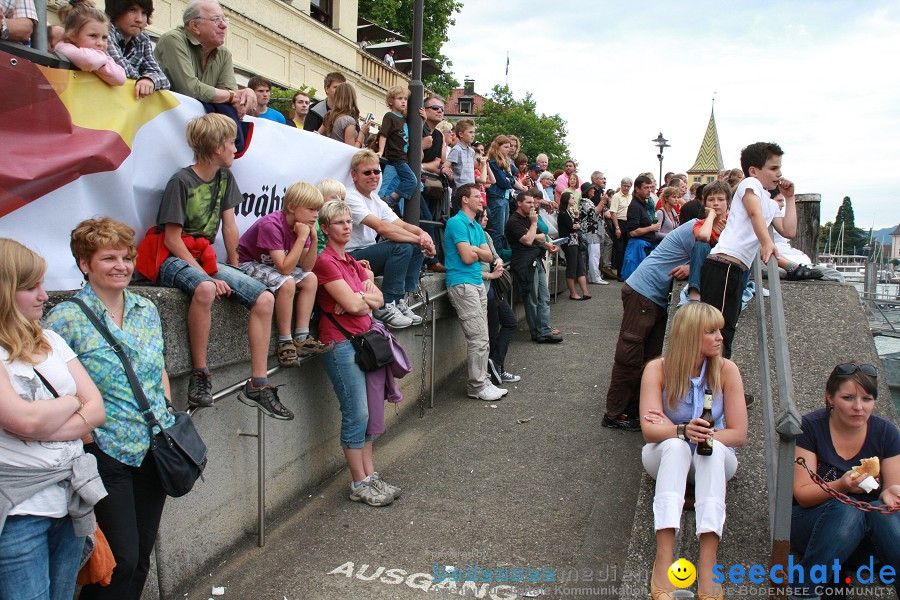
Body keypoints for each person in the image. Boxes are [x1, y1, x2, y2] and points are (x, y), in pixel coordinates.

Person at [44, 218, 170, 600]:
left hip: (153, 449)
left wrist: (166, 410)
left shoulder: (145, 308)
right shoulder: (64, 319)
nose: (121, 266)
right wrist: (86, 437)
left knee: (142, 556)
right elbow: (53, 389)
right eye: (109, 258)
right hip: (105, 452)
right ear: (85, 264)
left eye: (126, 257)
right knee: (117, 561)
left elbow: (159, 367)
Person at [149, 113, 287, 418]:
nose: (234, 148)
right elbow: (172, 240)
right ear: (215, 148)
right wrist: (206, 276)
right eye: (229, 142)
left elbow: (229, 226)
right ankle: (200, 375)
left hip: (206, 257)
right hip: (174, 256)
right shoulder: (181, 181)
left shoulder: (225, 177)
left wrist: (234, 268)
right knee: (205, 290)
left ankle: (259, 383)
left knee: (264, 297)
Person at [0, 238, 106, 600]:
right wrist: (72, 400)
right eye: (31, 287)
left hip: (69, 501)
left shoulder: (51, 340)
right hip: (17, 512)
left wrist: (48, 417)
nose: (44, 295)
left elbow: (97, 409)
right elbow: (25, 421)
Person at [640, 302, 747, 600]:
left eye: (720, 331)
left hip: (711, 458)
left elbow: (738, 434)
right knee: (676, 446)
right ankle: (664, 558)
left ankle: (708, 562)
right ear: (690, 336)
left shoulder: (727, 370)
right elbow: (650, 431)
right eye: (711, 332)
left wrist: (696, 432)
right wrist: (681, 431)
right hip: (665, 455)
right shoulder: (657, 369)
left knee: (708, 450)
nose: (720, 338)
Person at [313, 200, 400, 507]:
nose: (348, 226)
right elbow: (352, 306)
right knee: (357, 413)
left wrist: (361, 297)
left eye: (349, 221)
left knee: (369, 414)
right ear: (325, 228)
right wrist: (362, 299)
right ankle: (359, 482)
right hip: (340, 343)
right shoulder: (325, 262)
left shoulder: (351, 261)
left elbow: (376, 298)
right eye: (340, 222)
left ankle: (370, 474)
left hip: (361, 340)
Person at [790, 362, 899, 600]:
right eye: (848, 398)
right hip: (812, 526)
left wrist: (890, 493)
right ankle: (803, 592)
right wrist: (841, 486)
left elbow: (892, 488)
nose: (858, 407)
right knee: (847, 509)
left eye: (867, 399)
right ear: (830, 398)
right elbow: (802, 495)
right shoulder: (809, 428)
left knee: (885, 513)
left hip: (867, 538)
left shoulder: (886, 432)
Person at [700, 142, 797, 358]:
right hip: (724, 265)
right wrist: (766, 242)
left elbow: (788, 230)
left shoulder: (770, 203)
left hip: (734, 269)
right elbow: (754, 213)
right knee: (717, 332)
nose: (779, 174)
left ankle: (717, 385)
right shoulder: (749, 184)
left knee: (725, 331)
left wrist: (789, 198)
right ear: (753, 170)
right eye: (773, 168)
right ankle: (713, 386)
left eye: (780, 168)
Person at [602, 219, 700, 431]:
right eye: (713, 200)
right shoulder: (698, 228)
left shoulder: (707, 230)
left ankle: (636, 409)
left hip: (653, 298)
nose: (720, 207)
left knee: (650, 359)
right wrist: (692, 265)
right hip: (643, 293)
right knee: (629, 356)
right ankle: (614, 414)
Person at [237, 182, 332, 367]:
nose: (316, 215)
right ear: (291, 207)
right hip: (248, 263)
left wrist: (312, 239)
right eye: (311, 209)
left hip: (272, 266)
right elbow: (284, 269)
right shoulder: (272, 225)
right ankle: (285, 341)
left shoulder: (302, 227)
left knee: (311, 279)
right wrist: (302, 237)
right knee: (287, 282)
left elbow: (307, 267)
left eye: (317, 210)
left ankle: (302, 337)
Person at [344, 150, 435, 329]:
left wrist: (423, 236)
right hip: (350, 257)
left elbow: (401, 224)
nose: (373, 176)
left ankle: (400, 300)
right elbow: (382, 227)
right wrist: (417, 239)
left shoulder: (376, 199)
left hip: (367, 256)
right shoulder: (350, 196)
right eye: (367, 172)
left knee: (414, 246)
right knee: (403, 246)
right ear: (354, 175)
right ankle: (386, 304)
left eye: (376, 171)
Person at [443, 184, 509, 401]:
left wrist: (477, 251)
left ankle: (482, 382)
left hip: (477, 284)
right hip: (462, 284)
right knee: (479, 337)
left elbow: (489, 256)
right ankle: (477, 386)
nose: (482, 200)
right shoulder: (456, 223)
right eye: (477, 196)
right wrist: (477, 252)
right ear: (464, 199)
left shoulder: (476, 227)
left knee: (483, 336)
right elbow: (467, 257)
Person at [154, 0, 257, 116]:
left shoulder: (224, 54)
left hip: (202, 128)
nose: (224, 25)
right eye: (216, 19)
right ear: (194, 26)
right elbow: (189, 89)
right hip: (165, 121)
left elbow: (230, 99)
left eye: (224, 20)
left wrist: (242, 96)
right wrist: (232, 96)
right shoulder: (173, 40)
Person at [506, 191, 562, 343]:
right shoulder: (514, 221)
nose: (533, 205)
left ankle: (545, 329)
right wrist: (534, 224)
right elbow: (528, 240)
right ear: (519, 203)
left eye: (533, 202)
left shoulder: (528, 219)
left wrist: (547, 244)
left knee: (544, 297)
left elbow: (540, 236)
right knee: (532, 299)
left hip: (536, 260)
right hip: (525, 263)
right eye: (529, 203)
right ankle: (537, 333)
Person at [475, 210, 520, 387]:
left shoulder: (485, 234)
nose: (487, 218)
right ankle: (495, 369)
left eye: (487, 215)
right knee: (493, 332)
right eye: (483, 215)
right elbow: (470, 268)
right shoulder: (470, 235)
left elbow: (495, 255)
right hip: (485, 288)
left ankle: (496, 363)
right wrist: (490, 275)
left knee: (509, 322)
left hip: (494, 289)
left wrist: (499, 261)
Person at [104, 0, 170, 99]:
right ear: (116, 11)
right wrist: (142, 80)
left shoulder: (143, 39)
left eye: (144, 13)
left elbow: (163, 79)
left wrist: (149, 80)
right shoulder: (104, 31)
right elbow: (119, 69)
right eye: (132, 10)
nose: (139, 19)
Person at [53, 0, 126, 87]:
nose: (100, 43)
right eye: (93, 36)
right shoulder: (63, 47)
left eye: (104, 37)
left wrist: (101, 62)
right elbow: (89, 60)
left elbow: (121, 78)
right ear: (72, 35)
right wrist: (104, 63)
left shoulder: (101, 56)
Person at [377, 86, 416, 210]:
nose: (404, 101)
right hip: (396, 156)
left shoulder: (404, 119)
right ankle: (391, 199)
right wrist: (381, 151)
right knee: (411, 180)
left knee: (404, 180)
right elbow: (384, 134)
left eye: (405, 99)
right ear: (391, 102)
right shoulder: (390, 116)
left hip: (402, 157)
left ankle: (390, 200)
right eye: (400, 98)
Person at [486, 135, 524, 251]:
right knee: (497, 231)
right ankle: (496, 259)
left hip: (504, 197)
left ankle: (501, 256)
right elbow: (504, 182)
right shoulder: (493, 162)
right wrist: (509, 180)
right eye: (506, 147)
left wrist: (509, 180)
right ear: (498, 147)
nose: (509, 149)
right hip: (496, 197)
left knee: (503, 231)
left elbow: (510, 180)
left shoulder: (503, 162)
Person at [558, 191, 590, 301]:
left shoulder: (568, 212)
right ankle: (573, 293)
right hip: (569, 243)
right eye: (572, 197)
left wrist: (576, 219)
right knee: (572, 267)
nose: (574, 199)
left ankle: (585, 292)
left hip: (575, 242)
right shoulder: (562, 213)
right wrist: (576, 218)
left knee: (580, 265)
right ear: (566, 199)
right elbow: (573, 227)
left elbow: (576, 226)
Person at [319, 82, 369, 147]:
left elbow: (317, 135)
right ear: (352, 99)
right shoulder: (348, 121)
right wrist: (362, 133)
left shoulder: (329, 116)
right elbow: (351, 150)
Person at [609, 177, 633, 279]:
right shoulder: (616, 196)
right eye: (625, 186)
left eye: (628, 186)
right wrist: (617, 227)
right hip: (620, 222)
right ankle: (620, 273)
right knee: (620, 249)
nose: (626, 188)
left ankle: (627, 272)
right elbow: (613, 212)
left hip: (629, 223)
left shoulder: (631, 196)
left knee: (629, 249)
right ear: (621, 185)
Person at [446, 119, 477, 189]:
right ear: (461, 134)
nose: (473, 135)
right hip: (460, 188)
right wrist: (452, 178)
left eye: (474, 133)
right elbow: (445, 167)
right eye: (470, 132)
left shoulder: (472, 151)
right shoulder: (456, 150)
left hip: (471, 187)